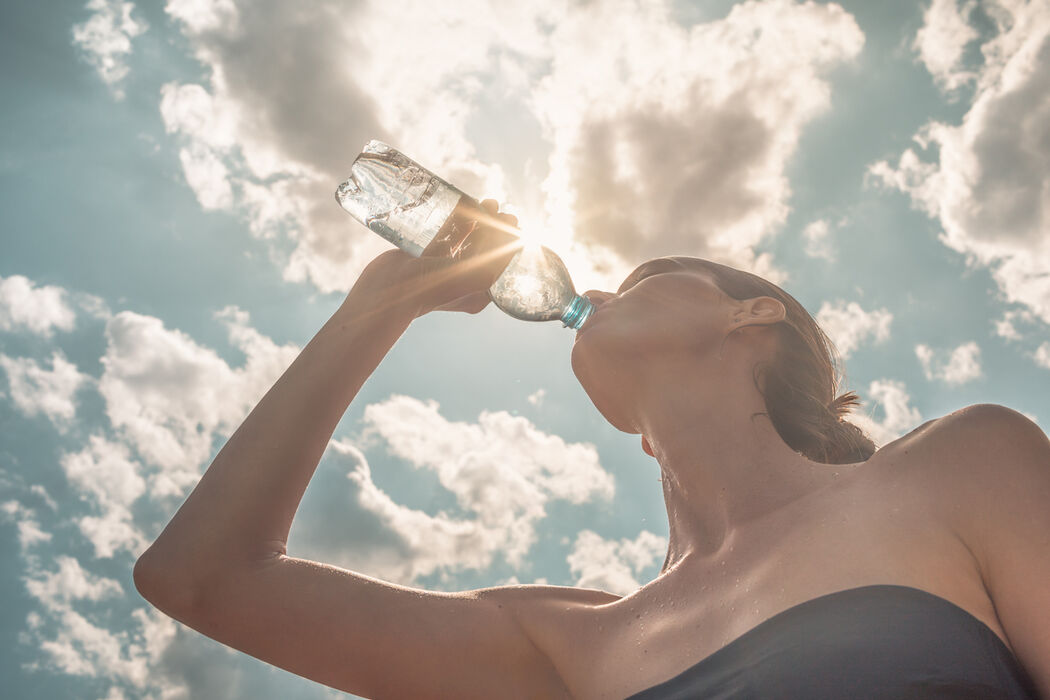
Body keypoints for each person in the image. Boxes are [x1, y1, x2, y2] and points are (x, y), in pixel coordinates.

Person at [134, 200, 1049, 699]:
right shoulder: (568, 644)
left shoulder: (958, 467)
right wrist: (377, 310)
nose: (603, 290)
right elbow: (204, 577)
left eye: (647, 278)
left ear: (753, 314)